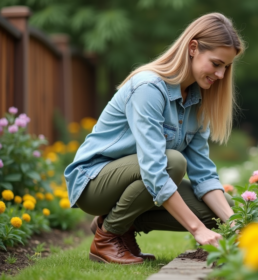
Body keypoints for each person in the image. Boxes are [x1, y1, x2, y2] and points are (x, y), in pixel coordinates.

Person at [64, 12, 244, 265]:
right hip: (94, 182)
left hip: (140, 181)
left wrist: (237, 222)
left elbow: (203, 174)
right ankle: (107, 237)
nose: (221, 75)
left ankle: (117, 222)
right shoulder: (149, 88)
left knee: (221, 207)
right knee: (173, 162)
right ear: (193, 48)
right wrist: (197, 230)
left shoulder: (199, 100)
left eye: (226, 66)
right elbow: (155, 167)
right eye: (216, 64)